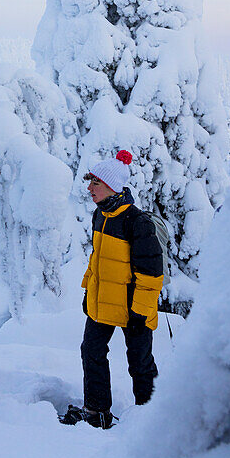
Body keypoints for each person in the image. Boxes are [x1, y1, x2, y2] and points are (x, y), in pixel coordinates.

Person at [60, 150, 163, 429]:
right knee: (91, 350)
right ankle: (96, 412)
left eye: (96, 183)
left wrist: (140, 310)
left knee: (139, 363)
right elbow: (97, 260)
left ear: (112, 187)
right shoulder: (100, 215)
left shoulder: (137, 222)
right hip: (103, 301)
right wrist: (87, 292)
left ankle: (151, 420)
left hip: (134, 307)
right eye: (90, 182)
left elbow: (152, 274)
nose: (89, 188)